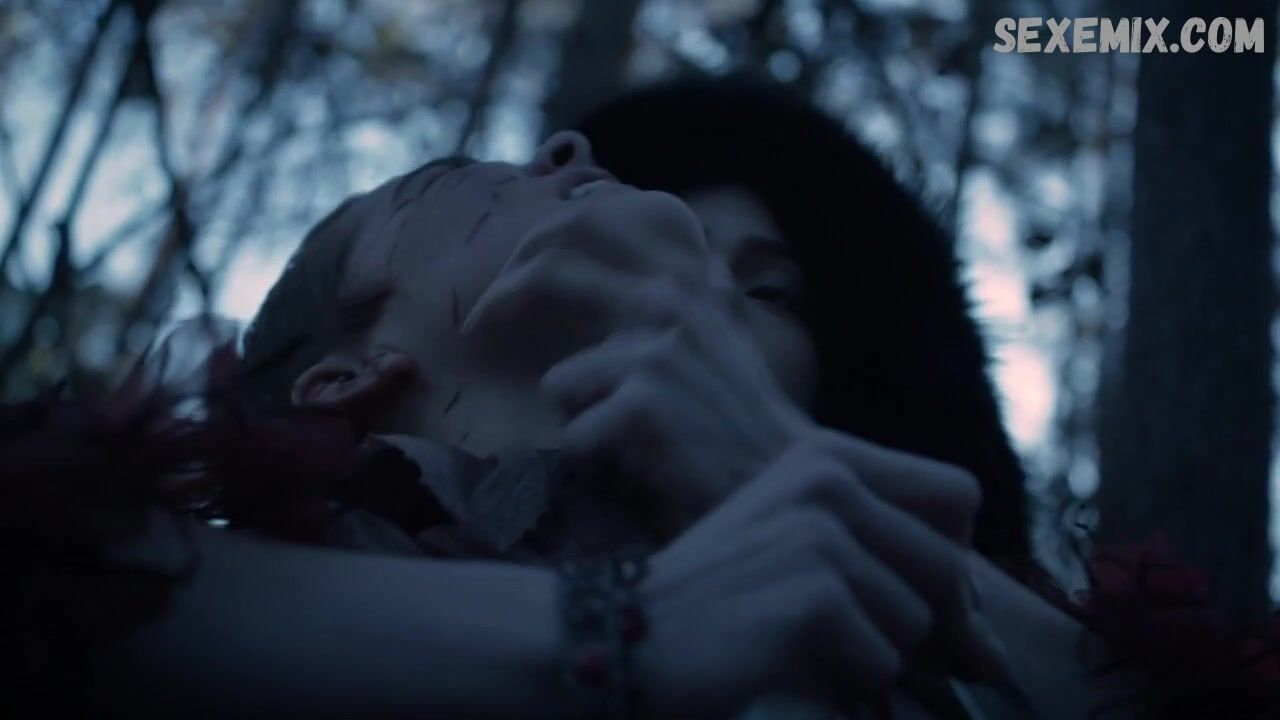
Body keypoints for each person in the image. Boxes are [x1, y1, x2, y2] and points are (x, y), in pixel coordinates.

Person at [8, 77, 1205, 719]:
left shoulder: (928, 640)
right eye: (468, 191)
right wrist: (622, 634)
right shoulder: (189, 579)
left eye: (766, 293)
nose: (688, 298)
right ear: (344, 376)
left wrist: (791, 476)